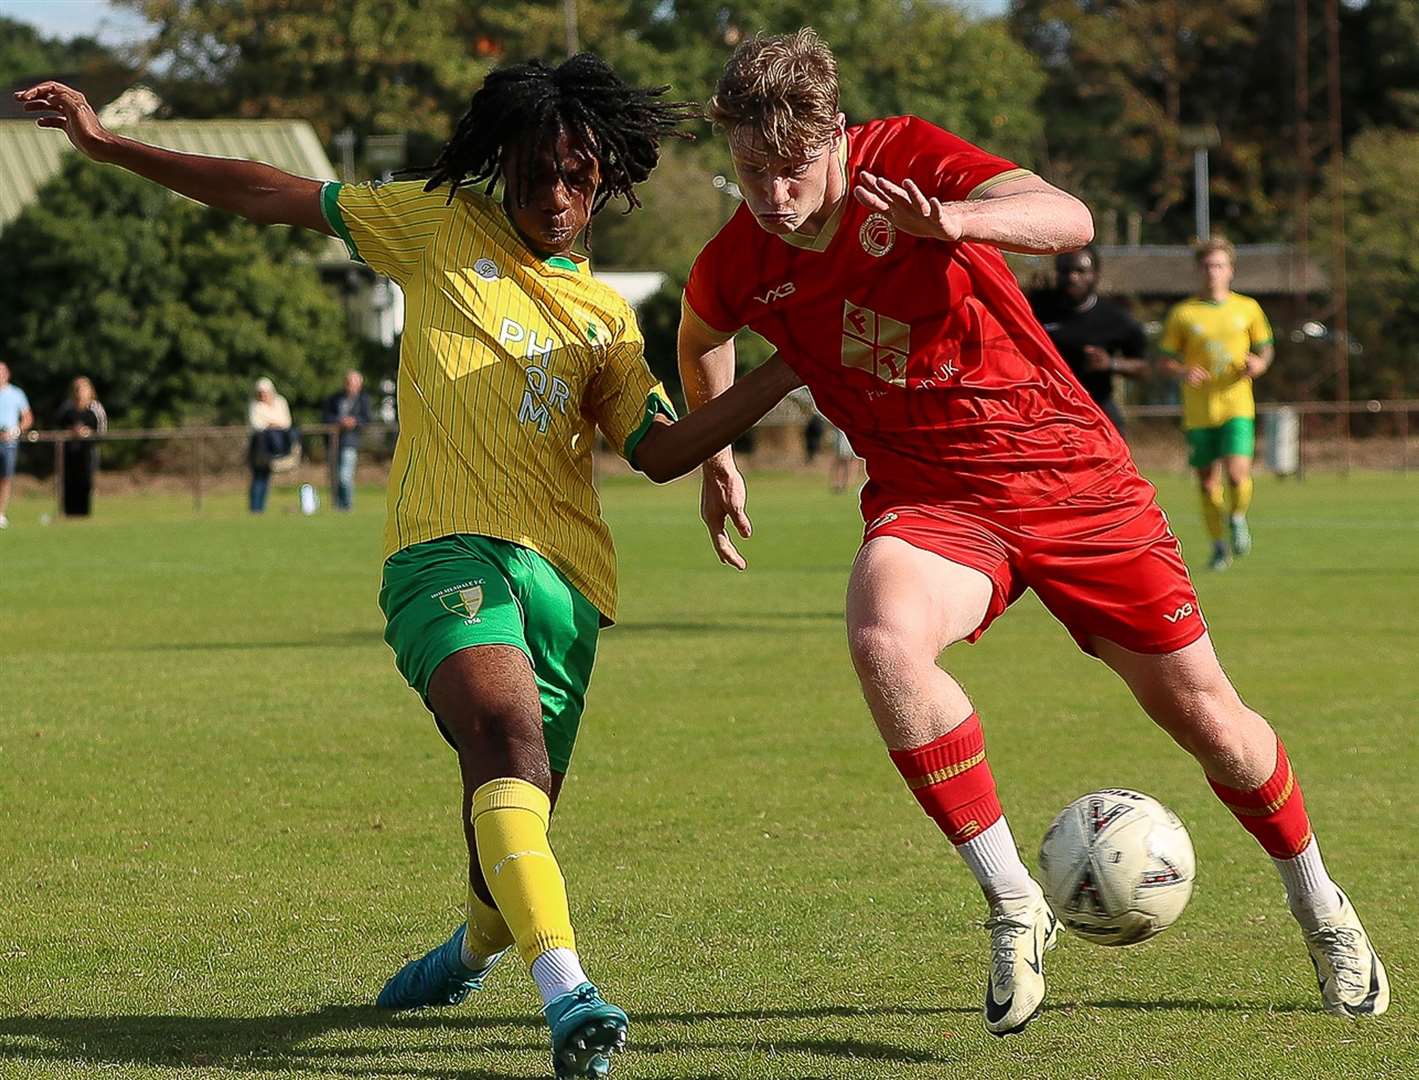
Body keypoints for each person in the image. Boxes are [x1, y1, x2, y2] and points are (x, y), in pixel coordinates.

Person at [19, 58, 798, 1079]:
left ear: (603, 174)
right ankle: (571, 995)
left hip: (565, 585)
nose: (552, 198)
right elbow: (268, 191)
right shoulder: (438, 225)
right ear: (499, 169)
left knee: (513, 810)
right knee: (503, 732)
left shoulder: (605, 319)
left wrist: (787, 375)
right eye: (531, 176)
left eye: (574, 176)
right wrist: (107, 143)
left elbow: (656, 449)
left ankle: (473, 945)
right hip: (443, 550)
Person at [678, 28, 1386, 1036]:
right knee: (883, 638)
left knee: (1210, 721)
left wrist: (956, 221)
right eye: (751, 170)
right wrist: (718, 459)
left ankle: (1320, 905)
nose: (772, 195)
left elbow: (1067, 215)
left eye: (792, 169)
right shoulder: (741, 257)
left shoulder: (906, 157)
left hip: (1074, 482)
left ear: (836, 138)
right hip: (934, 497)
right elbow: (702, 335)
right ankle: (1015, 902)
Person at [1159, 238, 1273, 571]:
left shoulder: (1247, 308)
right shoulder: (1184, 313)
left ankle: (1237, 517)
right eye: (1208, 266)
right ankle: (1218, 545)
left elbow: (1265, 348)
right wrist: (1182, 370)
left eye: (1220, 265)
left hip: (1237, 405)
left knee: (1237, 476)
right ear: (1199, 270)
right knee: (1209, 484)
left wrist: (1259, 364)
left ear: (1231, 270)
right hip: (1199, 410)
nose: (1214, 272)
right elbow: (1165, 359)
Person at [1029, 246, 1148, 436]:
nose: (1072, 277)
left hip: (1095, 406)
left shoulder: (1114, 317)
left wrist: (1111, 363)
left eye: (1080, 271)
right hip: (1044, 409)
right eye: (1065, 271)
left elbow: (1143, 367)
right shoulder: (1036, 308)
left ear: (1095, 275)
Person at [55, 375, 107, 517]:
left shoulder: (95, 408)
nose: (80, 392)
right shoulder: (67, 408)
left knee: (85, 481)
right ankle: (68, 512)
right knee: (68, 481)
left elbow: (102, 432)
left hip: (87, 452)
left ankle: (84, 513)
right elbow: (57, 428)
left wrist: (89, 434)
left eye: (83, 388)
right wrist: (70, 432)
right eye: (77, 389)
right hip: (68, 452)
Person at [321, 369, 373, 510]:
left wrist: (354, 421)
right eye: (349, 382)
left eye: (354, 383)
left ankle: (347, 505)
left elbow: (367, 419)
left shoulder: (364, 400)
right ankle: (337, 505)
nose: (351, 385)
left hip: (350, 442)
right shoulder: (334, 398)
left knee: (345, 476)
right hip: (333, 442)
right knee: (334, 476)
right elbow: (326, 417)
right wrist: (340, 421)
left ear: (359, 385)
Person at [247, 377, 294, 514]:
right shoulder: (255, 405)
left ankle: (261, 508)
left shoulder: (280, 402)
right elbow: (257, 425)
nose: (263, 396)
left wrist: (270, 423)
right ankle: (255, 508)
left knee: (266, 478)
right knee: (258, 477)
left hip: (275, 447)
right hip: (259, 448)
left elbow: (286, 422)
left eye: (265, 392)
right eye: (260, 393)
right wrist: (274, 423)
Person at [0, 361, 34, 529]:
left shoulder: (16, 393)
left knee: (6, 478)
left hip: (9, 442)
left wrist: (15, 430)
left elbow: (27, 418)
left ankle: (1, 513)